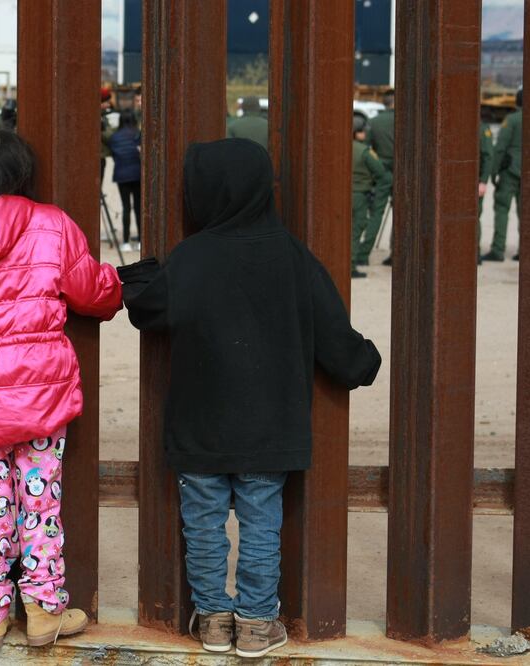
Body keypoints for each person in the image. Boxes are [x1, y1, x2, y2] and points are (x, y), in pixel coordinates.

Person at [119, 139, 381, 659]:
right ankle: (258, 624)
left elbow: (148, 310)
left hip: (200, 426)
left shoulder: (193, 256)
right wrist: (361, 362)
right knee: (262, 525)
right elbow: (333, 333)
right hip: (270, 426)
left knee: (203, 524)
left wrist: (142, 272)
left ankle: (214, 620)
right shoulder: (291, 255)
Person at [0, 128, 123, 647]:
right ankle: (45, 611)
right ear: (25, 173)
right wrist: (118, 283)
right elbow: (92, 292)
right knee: (40, 499)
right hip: (42, 391)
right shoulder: (52, 224)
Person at [485, 88, 522, 262]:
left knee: (502, 209)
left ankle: (498, 249)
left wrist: (493, 171)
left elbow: (500, 147)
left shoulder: (512, 120)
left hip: (511, 171)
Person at [351, 116, 388, 275]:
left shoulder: (338, 146)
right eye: (361, 131)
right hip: (360, 195)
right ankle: (351, 264)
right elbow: (381, 173)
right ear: (356, 133)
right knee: (356, 228)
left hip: (344, 194)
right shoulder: (364, 152)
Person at [108, 109, 142, 252]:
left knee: (126, 208)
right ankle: (141, 240)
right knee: (139, 208)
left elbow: (114, 154)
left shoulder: (115, 137)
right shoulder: (137, 134)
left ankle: (126, 242)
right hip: (137, 174)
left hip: (121, 175)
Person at [368, 91, 395, 265]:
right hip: (402, 170)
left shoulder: (374, 122)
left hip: (381, 170)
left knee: (377, 211)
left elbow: (367, 148)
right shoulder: (405, 120)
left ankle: (364, 253)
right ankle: (397, 253)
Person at [477, 118, 495, 264]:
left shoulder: (482, 128)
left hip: (475, 182)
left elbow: (488, 156)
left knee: (473, 217)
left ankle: (474, 253)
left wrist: (483, 181)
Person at [100, 87, 115, 183]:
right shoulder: (101, 118)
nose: (108, 105)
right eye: (107, 102)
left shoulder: (103, 116)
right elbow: (108, 136)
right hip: (99, 157)